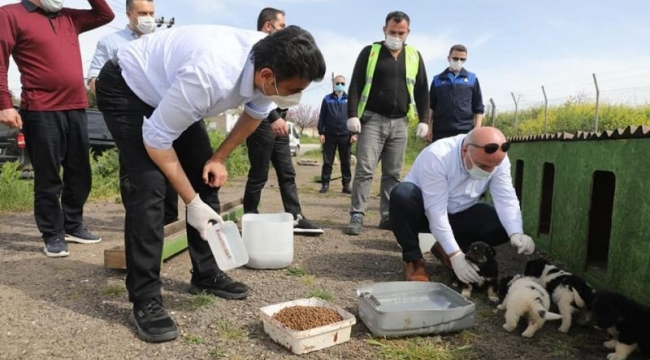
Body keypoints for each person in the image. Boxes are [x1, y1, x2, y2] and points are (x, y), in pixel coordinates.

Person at [96, 24, 326, 343]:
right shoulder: (210, 76)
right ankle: (145, 298)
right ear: (266, 76)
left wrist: (218, 158)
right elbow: (157, 139)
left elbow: (255, 114)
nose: (294, 97)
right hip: (129, 86)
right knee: (149, 189)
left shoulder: (269, 57)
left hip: (169, 89)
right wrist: (191, 203)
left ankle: (206, 273)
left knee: (206, 175)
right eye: (291, 90)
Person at [0, 0, 114, 257]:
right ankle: (53, 234)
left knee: (80, 173)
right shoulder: (10, 15)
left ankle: (73, 225)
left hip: (76, 107)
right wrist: (4, 103)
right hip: (41, 109)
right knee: (49, 176)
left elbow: (104, 14)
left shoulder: (68, 17)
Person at [388, 126, 535, 282]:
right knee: (402, 195)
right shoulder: (438, 155)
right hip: (423, 212)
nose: (490, 171)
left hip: (461, 212)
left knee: (501, 224)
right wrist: (455, 255)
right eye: (483, 166)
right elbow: (436, 211)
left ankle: (447, 247)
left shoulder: (498, 159)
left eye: (494, 167)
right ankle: (413, 259)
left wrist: (516, 233)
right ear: (465, 150)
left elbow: (506, 198)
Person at [87, 0, 178, 225]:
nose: (148, 17)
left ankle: (169, 220)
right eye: (142, 13)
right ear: (129, 14)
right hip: (128, 114)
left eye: (151, 12)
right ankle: (139, 221)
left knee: (168, 163)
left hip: (160, 112)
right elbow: (94, 80)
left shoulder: (163, 40)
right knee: (134, 168)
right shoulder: (110, 43)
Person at [345, 11, 430, 235]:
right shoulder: (370, 52)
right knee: (364, 169)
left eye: (401, 33)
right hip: (372, 119)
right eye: (392, 32)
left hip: (400, 122)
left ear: (408, 33)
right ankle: (357, 214)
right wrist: (352, 114)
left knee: (393, 173)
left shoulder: (414, 56)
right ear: (384, 30)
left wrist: (425, 120)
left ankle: (387, 215)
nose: (396, 36)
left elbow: (422, 90)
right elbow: (355, 84)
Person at [243, 7, 323, 235]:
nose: (284, 31)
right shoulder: (252, 54)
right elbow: (253, 93)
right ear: (268, 26)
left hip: (280, 123)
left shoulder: (279, 54)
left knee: (287, 172)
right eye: (281, 26)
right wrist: (273, 116)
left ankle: (295, 216)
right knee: (259, 173)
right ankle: (250, 217)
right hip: (258, 122)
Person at [427, 44, 484, 142]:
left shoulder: (472, 79)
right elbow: (430, 106)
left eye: (462, 59)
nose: (459, 62)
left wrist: (477, 127)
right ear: (448, 58)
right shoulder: (437, 80)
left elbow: (478, 106)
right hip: (440, 131)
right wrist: (428, 127)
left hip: (465, 130)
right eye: (455, 58)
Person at [317, 75, 355, 194]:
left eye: (342, 83)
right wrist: (321, 132)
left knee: (346, 162)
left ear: (345, 85)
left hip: (345, 135)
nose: (340, 85)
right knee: (328, 162)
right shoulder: (327, 99)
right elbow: (322, 117)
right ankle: (325, 184)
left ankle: (346, 185)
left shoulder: (350, 99)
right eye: (338, 83)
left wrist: (354, 134)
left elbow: (354, 117)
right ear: (334, 84)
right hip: (329, 135)